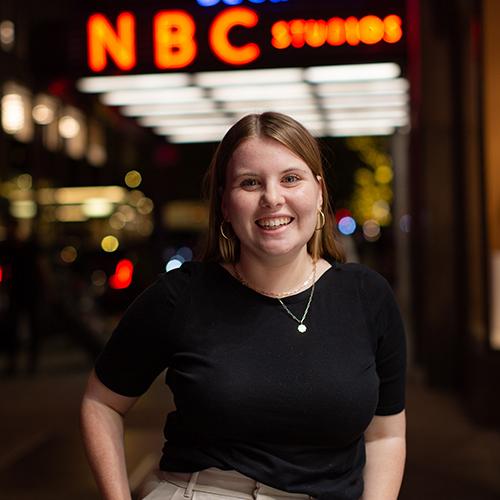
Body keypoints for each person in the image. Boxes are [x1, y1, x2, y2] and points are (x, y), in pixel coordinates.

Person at [80, 112, 406, 500]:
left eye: (290, 178)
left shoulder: (367, 296)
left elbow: (386, 435)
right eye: (250, 182)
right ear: (225, 202)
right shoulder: (180, 296)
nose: (272, 198)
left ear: (318, 192)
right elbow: (101, 403)